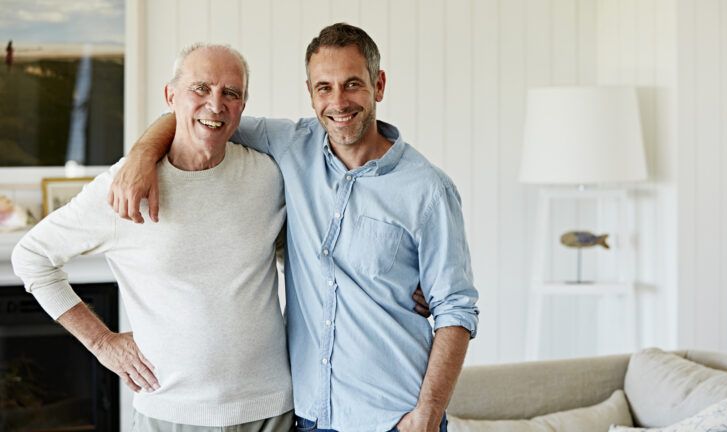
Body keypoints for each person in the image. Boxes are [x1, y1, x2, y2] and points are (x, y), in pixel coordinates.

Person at [110, 23, 479, 432]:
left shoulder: (428, 189)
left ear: (379, 84)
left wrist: (427, 413)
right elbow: (196, 118)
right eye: (324, 87)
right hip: (306, 415)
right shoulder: (290, 144)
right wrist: (140, 157)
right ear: (310, 92)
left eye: (352, 84)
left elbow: (456, 309)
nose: (338, 102)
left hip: (394, 417)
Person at [12, 44, 295, 431]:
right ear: (170, 96)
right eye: (200, 88)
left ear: (243, 105)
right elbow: (31, 257)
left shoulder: (268, 177)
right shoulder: (123, 188)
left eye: (231, 92)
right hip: (170, 415)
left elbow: (305, 260)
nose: (216, 104)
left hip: (272, 410)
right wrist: (101, 343)